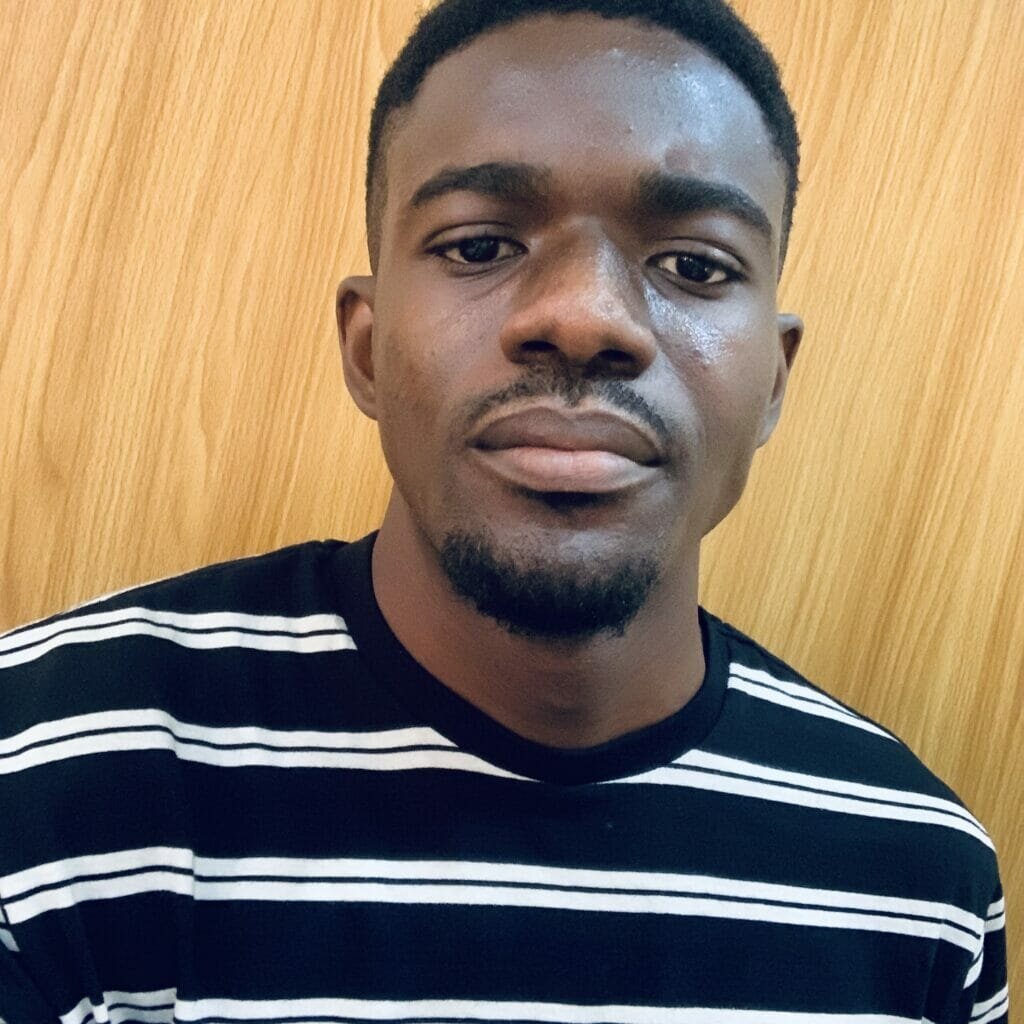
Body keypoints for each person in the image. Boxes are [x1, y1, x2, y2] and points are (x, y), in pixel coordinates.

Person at [0, 0, 1008, 1020]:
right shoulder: (43, 770)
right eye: (480, 246)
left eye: (694, 266)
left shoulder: (920, 887)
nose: (584, 316)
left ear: (774, 384)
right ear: (366, 349)